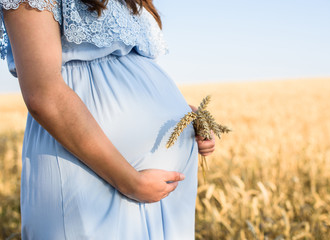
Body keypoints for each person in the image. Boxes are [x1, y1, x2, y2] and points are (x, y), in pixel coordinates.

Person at [0, 0, 215, 239]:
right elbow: (43, 94)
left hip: (158, 192)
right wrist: (131, 182)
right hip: (97, 172)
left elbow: (129, 65)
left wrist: (185, 118)